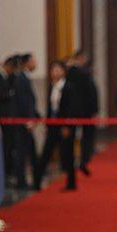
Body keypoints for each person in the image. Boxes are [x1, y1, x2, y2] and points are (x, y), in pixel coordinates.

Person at [33, 61, 77, 191]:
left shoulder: (69, 87)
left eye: (58, 70)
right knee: (46, 153)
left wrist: (67, 126)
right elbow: (50, 108)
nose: (55, 72)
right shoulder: (51, 87)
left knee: (67, 154)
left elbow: (72, 108)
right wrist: (47, 124)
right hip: (53, 125)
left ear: (63, 72)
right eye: (53, 70)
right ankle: (37, 181)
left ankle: (71, 183)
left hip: (64, 126)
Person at [67, 50, 99, 175]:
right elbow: (92, 93)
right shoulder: (85, 74)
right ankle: (84, 160)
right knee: (87, 138)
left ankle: (69, 163)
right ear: (80, 58)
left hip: (71, 112)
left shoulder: (68, 73)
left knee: (70, 138)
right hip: (86, 112)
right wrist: (94, 110)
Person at [13, 53, 39, 189]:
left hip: (27, 120)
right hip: (23, 122)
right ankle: (21, 181)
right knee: (23, 152)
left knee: (29, 151)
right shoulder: (21, 78)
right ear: (27, 62)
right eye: (33, 61)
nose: (35, 64)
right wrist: (29, 120)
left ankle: (32, 179)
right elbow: (24, 101)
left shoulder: (25, 77)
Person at [0, 55, 19, 183]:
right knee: (5, 146)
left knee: (10, 146)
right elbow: (0, 95)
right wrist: (9, 94)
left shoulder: (8, 77)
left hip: (9, 118)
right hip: (3, 117)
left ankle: (9, 170)